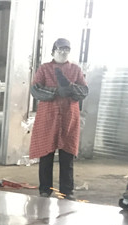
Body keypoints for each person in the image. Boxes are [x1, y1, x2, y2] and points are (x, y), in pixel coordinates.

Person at [29, 38, 88, 199]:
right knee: (46, 155)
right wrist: (55, 92)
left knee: (67, 156)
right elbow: (35, 90)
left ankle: (66, 192)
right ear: (53, 51)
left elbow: (84, 91)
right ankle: (45, 190)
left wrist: (71, 88)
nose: (63, 52)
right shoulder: (44, 69)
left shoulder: (75, 69)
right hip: (48, 118)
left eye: (66, 50)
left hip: (69, 118)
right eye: (60, 49)